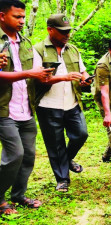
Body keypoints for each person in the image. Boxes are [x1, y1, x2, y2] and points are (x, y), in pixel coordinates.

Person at [0, 0, 54, 215]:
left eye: (23, 17)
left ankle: (18, 195)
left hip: (26, 108)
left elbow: (33, 73)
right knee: (14, 155)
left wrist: (45, 74)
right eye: (17, 17)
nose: (22, 21)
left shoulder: (25, 42)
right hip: (4, 110)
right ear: (2, 16)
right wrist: (30, 73)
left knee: (29, 155)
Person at [33, 14, 91, 192]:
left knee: (81, 134)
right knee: (55, 144)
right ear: (50, 30)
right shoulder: (38, 50)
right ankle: (62, 179)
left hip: (72, 103)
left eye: (68, 31)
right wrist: (63, 77)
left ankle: (66, 160)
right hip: (48, 105)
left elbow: (83, 71)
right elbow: (38, 78)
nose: (67, 35)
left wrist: (86, 80)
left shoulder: (72, 49)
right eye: (62, 31)